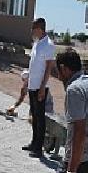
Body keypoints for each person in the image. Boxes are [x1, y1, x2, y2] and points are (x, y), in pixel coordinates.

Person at [24, 18, 56, 158]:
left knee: (40, 118)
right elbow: (33, 65)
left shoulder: (48, 45)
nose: (32, 31)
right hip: (32, 85)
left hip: (40, 87)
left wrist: (43, 87)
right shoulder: (37, 44)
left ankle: (39, 148)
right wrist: (27, 82)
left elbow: (49, 67)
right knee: (34, 116)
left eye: (33, 28)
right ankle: (34, 142)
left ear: (40, 29)